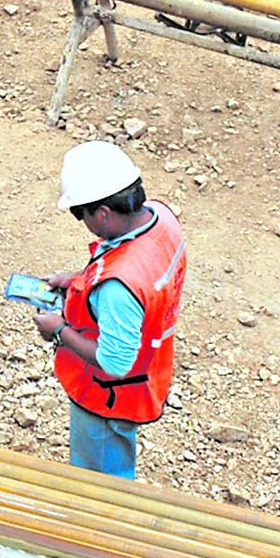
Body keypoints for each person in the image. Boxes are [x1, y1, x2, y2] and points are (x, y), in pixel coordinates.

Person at [29, 141, 186, 480]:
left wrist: (58, 329)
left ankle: (99, 528)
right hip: (148, 373)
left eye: (79, 213)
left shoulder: (117, 288)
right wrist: (77, 280)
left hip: (108, 396)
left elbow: (115, 362)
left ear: (102, 213)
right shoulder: (162, 220)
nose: (80, 221)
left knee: (99, 481)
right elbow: (137, 271)